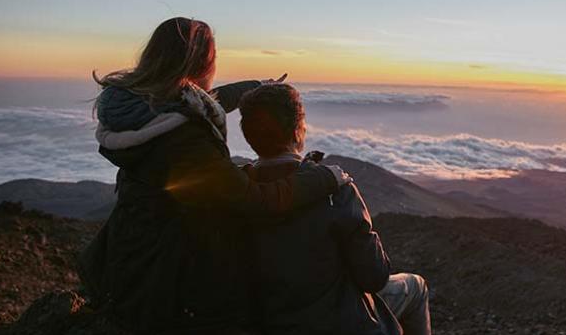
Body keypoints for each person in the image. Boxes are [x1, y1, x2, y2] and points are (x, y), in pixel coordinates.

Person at [77, 17, 351, 333]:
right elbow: (253, 201)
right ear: (200, 64)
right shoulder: (184, 140)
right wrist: (325, 178)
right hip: (172, 289)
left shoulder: (137, 112)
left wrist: (256, 87)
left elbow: (196, 102)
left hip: (130, 260)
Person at [238, 83, 431, 335]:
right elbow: (374, 277)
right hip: (339, 323)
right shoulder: (334, 189)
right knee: (416, 287)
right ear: (298, 130)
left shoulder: (234, 192)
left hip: (267, 321)